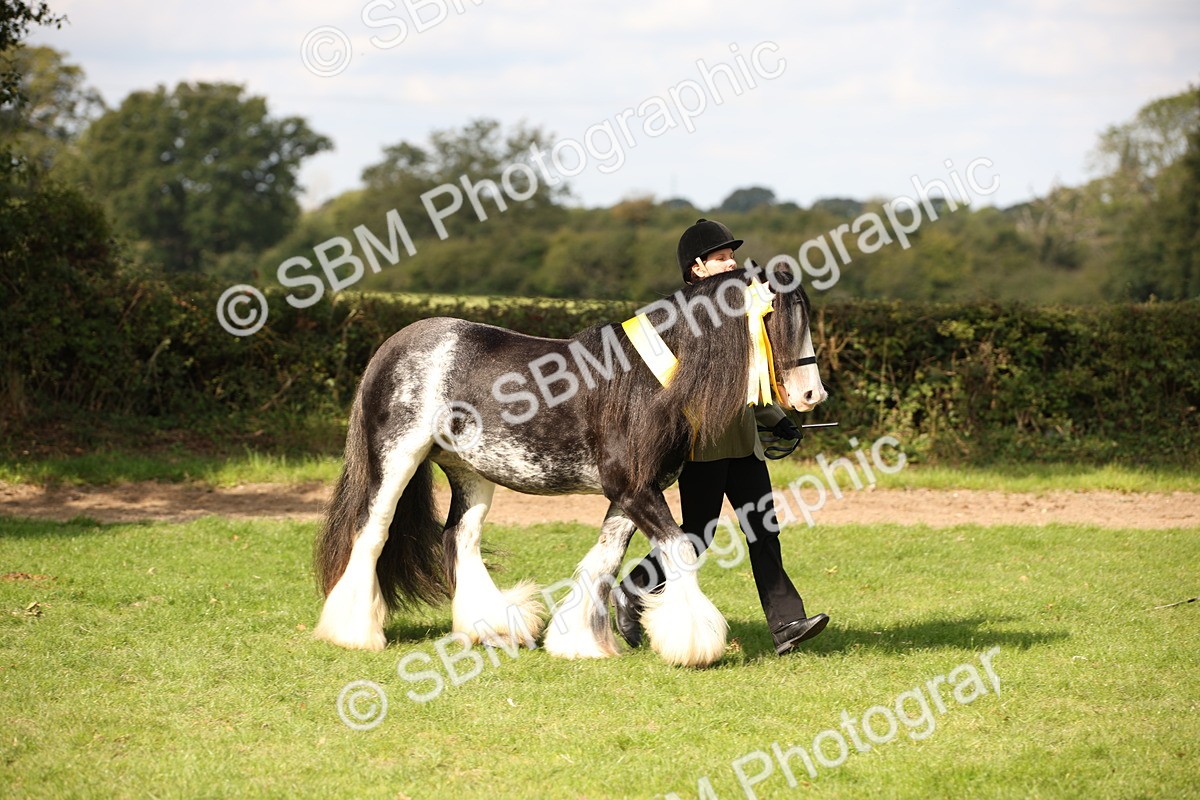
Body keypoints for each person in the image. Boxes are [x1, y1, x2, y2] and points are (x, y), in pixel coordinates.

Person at [611, 218, 829, 655]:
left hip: (744, 439)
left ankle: (786, 624)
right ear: (697, 269)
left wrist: (774, 420)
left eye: (732, 256)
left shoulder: (737, 312)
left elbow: (749, 379)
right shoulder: (683, 317)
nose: (732, 263)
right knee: (697, 534)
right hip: (702, 444)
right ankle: (633, 590)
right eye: (721, 258)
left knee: (763, 529)